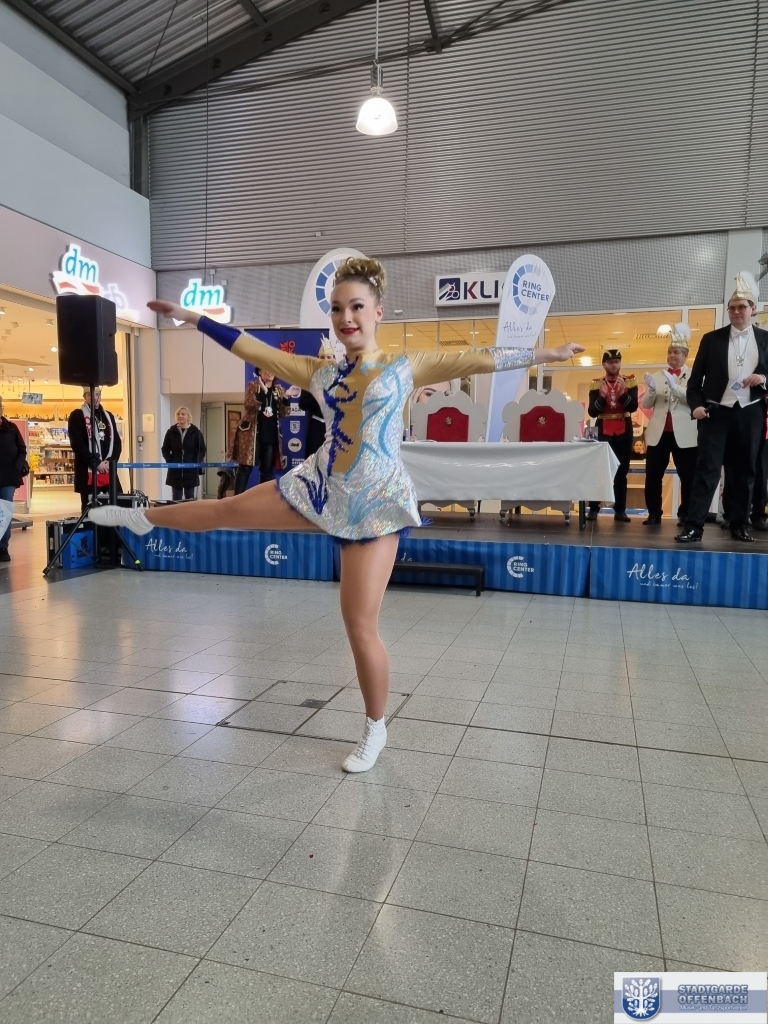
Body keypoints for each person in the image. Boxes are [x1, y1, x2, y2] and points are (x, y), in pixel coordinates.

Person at [90, 257, 583, 772]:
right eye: (338, 309)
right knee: (226, 508)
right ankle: (142, 518)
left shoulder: (406, 365)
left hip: (375, 505)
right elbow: (252, 348)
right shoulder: (320, 371)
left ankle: (375, 728)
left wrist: (546, 352)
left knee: (359, 624)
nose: (346, 317)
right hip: (319, 487)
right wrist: (194, 319)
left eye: (357, 307)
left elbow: (478, 359)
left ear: (378, 312)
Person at [677, 272, 768, 544]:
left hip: (750, 412)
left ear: (753, 309)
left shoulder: (766, 339)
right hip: (716, 414)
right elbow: (694, 383)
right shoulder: (711, 339)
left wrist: (763, 378)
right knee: (707, 471)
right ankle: (693, 527)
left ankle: (739, 524)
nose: (736, 312)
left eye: (742, 307)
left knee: (744, 472)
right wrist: (696, 406)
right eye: (732, 308)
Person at [640, 324, 697, 525]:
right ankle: (654, 513)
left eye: (677, 352)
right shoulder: (657, 376)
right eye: (670, 351)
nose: (672, 355)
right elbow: (646, 404)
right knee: (653, 475)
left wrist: (676, 389)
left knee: (688, 476)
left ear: (685, 355)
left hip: (685, 434)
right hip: (659, 433)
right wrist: (651, 390)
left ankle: (686, 514)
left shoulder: (695, 376)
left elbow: (695, 400)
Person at [586, 349, 638, 522]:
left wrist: (622, 394)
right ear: (604, 364)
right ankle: (593, 509)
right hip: (603, 430)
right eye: (610, 362)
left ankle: (620, 510)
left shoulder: (630, 381)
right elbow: (592, 412)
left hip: (624, 430)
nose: (613, 365)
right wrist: (601, 397)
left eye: (616, 361)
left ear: (620, 363)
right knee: (598, 472)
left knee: (621, 473)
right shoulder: (596, 384)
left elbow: (633, 407)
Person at [67, 387, 122, 512]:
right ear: (85, 397)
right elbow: (77, 444)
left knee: (115, 506)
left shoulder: (108, 416)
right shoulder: (77, 415)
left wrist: (110, 462)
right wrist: (96, 463)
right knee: (91, 510)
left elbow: (117, 443)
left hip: (108, 470)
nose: (95, 398)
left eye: (97, 394)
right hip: (88, 471)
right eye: (91, 395)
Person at [0, 396, 28, 563]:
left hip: (8, 477)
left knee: (4, 510)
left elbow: (22, 449)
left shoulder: (11, 428)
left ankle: (3, 547)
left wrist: (16, 467)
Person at [162, 406, 206, 501]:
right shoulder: (171, 432)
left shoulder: (196, 432)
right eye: (178, 414)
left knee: (189, 497)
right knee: (176, 497)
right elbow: (165, 449)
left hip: (190, 471)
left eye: (183, 414)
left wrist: (195, 462)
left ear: (188, 417)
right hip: (175, 471)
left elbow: (202, 449)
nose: (180, 416)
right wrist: (170, 462)